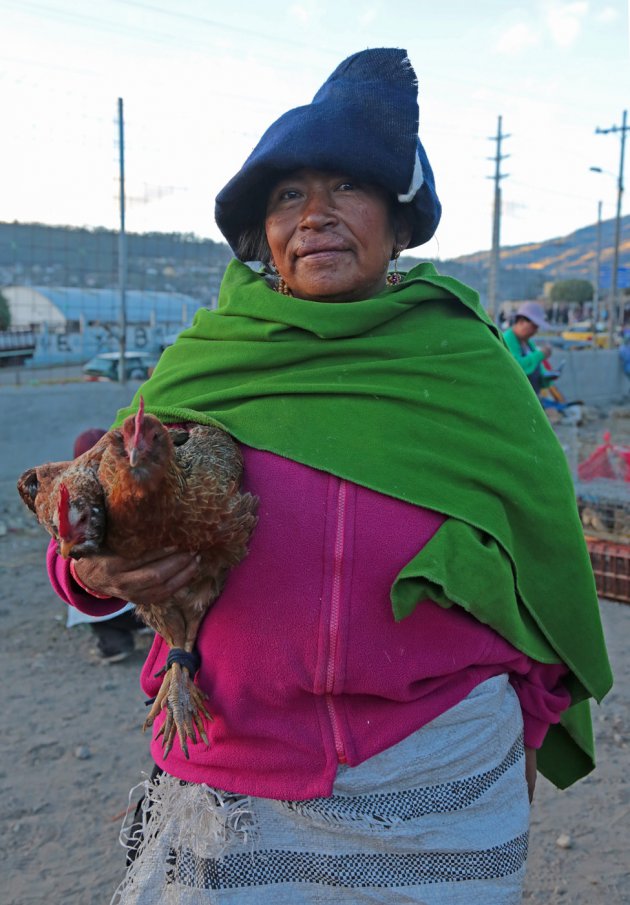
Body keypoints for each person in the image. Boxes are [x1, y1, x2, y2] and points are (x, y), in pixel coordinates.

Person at [46, 49, 611, 903]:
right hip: (237, 785)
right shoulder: (208, 362)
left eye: (347, 186)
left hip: (441, 777)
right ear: (264, 235)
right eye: (287, 195)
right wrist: (91, 571)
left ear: (395, 216)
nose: (315, 215)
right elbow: (94, 510)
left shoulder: (470, 366)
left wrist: (524, 715)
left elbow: (540, 559)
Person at [66, 429, 147, 664]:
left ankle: (114, 642)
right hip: (152, 598)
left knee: (76, 573)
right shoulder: (138, 488)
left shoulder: (74, 500)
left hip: (105, 607)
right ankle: (149, 628)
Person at [503, 301, 556, 395]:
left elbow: (538, 370)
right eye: (534, 326)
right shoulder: (508, 339)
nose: (535, 331)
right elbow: (517, 367)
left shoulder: (528, 343)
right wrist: (541, 354)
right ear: (521, 321)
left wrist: (548, 377)